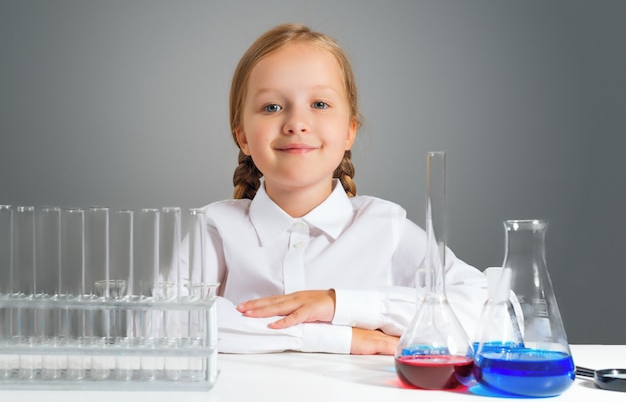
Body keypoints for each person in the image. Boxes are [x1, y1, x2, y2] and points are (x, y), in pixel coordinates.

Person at [193, 23, 487, 355]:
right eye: (272, 107)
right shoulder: (215, 227)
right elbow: (165, 319)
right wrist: (345, 338)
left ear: (350, 131)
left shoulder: (384, 227)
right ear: (243, 136)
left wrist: (338, 304)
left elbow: (481, 308)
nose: (296, 123)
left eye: (319, 104)